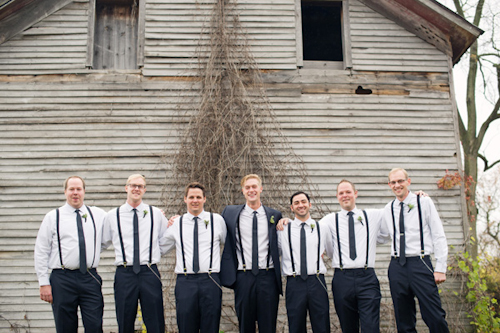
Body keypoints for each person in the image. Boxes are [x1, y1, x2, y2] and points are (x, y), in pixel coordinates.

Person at [34, 176, 106, 332]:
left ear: (84, 192)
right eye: (71, 189)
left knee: (95, 325)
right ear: (65, 192)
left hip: (89, 277)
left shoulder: (98, 215)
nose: (75, 193)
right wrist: (43, 282)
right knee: (65, 327)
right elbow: (41, 250)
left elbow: (115, 228)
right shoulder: (53, 217)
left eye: (78, 189)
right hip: (62, 279)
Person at [384, 168, 449, 332]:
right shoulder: (388, 208)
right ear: (389, 185)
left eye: (400, 181)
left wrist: (441, 267)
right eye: (393, 182)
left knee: (434, 316)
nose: (397, 185)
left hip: (420, 263)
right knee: (403, 319)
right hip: (397, 266)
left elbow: (438, 235)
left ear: (408, 182)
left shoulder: (424, 202)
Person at [102, 174, 168, 333]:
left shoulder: (155, 214)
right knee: (125, 320)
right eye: (133, 185)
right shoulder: (112, 215)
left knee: (155, 321)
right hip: (125, 273)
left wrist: (155, 254)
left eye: (140, 186)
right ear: (126, 188)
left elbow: (167, 239)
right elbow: (103, 242)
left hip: (149, 271)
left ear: (144, 190)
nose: (136, 189)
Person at [321, 180, 389, 333]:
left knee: (371, 327)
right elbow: (309, 227)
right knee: (348, 327)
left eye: (348, 192)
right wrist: (286, 222)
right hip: (342, 279)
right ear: (337, 196)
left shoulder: (373, 215)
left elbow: (395, 210)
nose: (345, 195)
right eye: (341, 193)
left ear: (355, 194)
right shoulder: (329, 220)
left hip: (367, 278)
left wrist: (416, 197)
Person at [161, 182, 227, 333]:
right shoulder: (177, 223)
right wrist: (161, 220)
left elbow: (227, 244)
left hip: (211, 280)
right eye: (191, 197)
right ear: (185, 199)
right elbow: (160, 247)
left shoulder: (217, 220)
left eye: (198, 197)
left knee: (211, 326)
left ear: (204, 199)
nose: (195, 200)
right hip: (185, 282)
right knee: (185, 326)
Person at [220, 174, 283, 333]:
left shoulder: (274, 215)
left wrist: (286, 221)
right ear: (243, 191)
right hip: (243, 277)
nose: (251, 190)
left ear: (261, 189)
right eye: (248, 187)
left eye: (254, 186)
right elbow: (212, 225)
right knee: (245, 325)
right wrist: (178, 219)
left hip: (268, 277)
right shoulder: (230, 213)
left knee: (268, 325)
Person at [277, 191, 330, 333]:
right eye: (296, 203)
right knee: (295, 326)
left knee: (322, 325)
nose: (301, 205)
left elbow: (330, 250)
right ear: (291, 208)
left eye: (303, 202)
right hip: (294, 283)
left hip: (317, 281)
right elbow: (277, 254)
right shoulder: (282, 230)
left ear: (309, 204)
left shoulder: (322, 228)